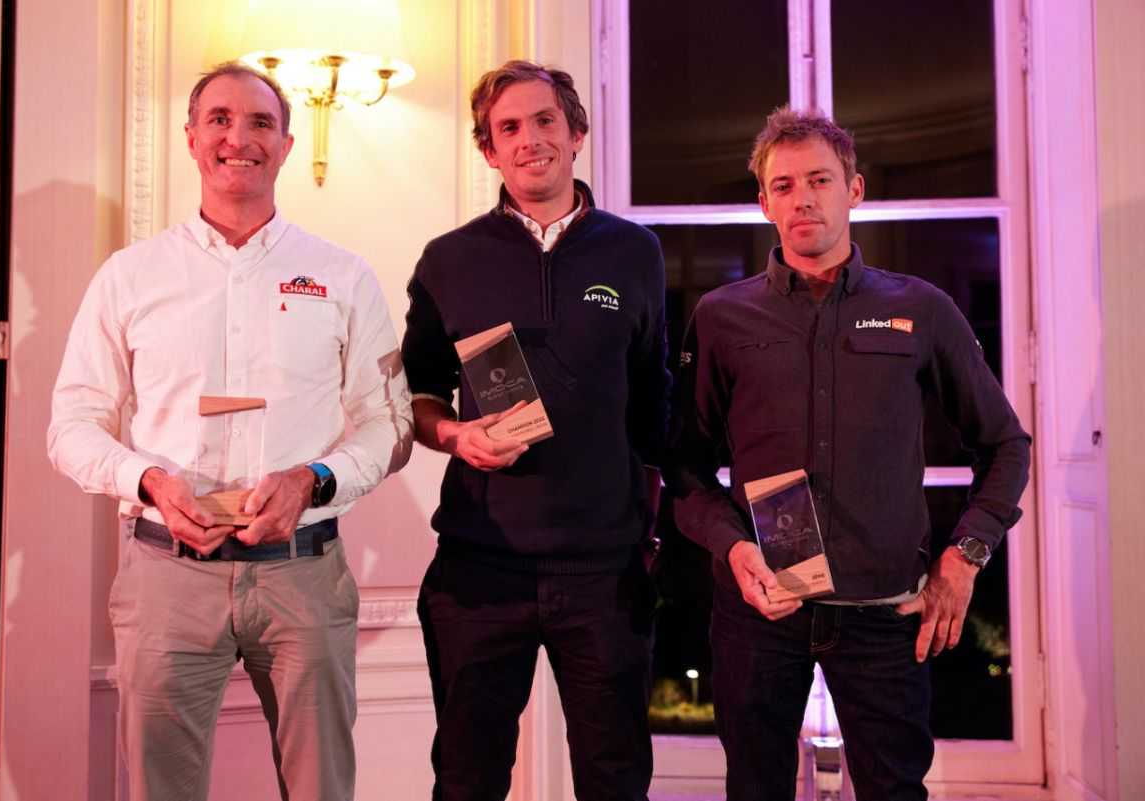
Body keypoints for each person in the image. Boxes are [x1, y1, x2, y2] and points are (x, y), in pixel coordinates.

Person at [47, 62, 413, 801]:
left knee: (321, 789)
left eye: (259, 123)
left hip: (305, 574)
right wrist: (149, 480)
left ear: (286, 145)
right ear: (190, 137)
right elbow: (72, 425)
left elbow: (392, 422)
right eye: (219, 119)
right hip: (166, 578)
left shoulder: (342, 275)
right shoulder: (130, 275)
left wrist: (314, 479)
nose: (238, 138)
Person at [665, 106, 1031, 801]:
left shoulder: (921, 308)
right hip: (759, 613)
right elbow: (683, 466)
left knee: (894, 790)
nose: (802, 198)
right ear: (764, 202)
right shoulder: (720, 317)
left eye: (819, 180)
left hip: (886, 614)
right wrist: (733, 549)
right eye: (783, 185)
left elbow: (1005, 444)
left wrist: (964, 558)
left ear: (854, 189)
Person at [401, 60, 670, 801]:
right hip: (479, 569)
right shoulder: (449, 259)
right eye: (509, 128)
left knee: (616, 782)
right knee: (467, 781)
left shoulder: (635, 252)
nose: (530, 140)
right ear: (489, 150)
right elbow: (416, 396)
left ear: (576, 132)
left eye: (545, 121)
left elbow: (655, 404)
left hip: (605, 573)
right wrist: (456, 436)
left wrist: (660, 532)